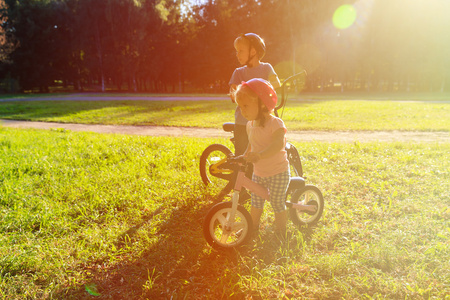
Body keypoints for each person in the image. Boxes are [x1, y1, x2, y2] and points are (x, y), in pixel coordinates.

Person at [234, 78, 289, 239]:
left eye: (246, 106)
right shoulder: (250, 125)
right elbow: (252, 143)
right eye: (240, 106)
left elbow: (278, 144)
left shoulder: (276, 124)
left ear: (262, 104)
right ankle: (252, 227)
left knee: (277, 203)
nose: (242, 111)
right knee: (256, 203)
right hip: (259, 173)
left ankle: (281, 231)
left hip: (278, 173)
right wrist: (245, 155)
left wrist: (260, 155)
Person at [229, 33, 281, 156]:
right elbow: (233, 94)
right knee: (241, 155)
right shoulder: (238, 72)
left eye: (241, 50)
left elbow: (276, 83)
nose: (237, 54)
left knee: (263, 152)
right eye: (237, 51)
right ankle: (239, 174)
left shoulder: (266, 68)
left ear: (253, 51)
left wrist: (257, 88)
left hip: (263, 119)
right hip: (243, 121)